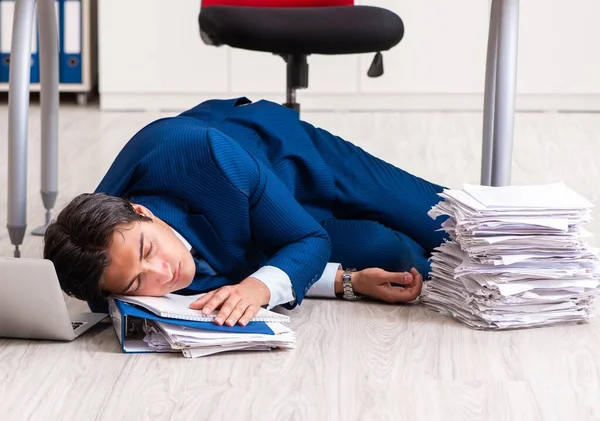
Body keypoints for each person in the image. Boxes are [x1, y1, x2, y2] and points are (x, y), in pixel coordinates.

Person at [43, 97, 448, 327]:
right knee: (397, 257)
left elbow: (308, 240)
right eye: (136, 283)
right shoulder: (106, 266)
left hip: (291, 161)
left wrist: (258, 288)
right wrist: (347, 281)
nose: (164, 274)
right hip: (261, 233)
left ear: (141, 211)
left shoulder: (208, 155)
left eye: (149, 251)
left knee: (446, 225)